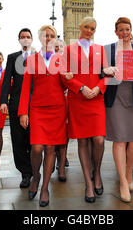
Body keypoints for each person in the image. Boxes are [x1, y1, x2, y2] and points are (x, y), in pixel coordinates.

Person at [18, 25, 70, 207]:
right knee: (37, 148)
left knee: (50, 149)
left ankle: (45, 187)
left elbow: (65, 84)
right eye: (45, 35)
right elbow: (25, 87)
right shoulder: (32, 60)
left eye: (52, 36)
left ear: (56, 39)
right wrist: (23, 112)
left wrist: (70, 78)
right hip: (38, 109)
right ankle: (36, 175)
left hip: (57, 110)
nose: (48, 38)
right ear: (40, 38)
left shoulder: (61, 60)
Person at [62, 16, 108, 203]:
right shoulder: (68, 49)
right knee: (82, 142)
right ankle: (88, 183)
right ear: (80, 27)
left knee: (98, 140)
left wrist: (98, 88)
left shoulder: (100, 50)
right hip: (79, 98)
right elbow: (64, 75)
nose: (90, 30)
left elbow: (106, 74)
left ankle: (96, 173)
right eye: (87, 27)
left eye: (93, 28)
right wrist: (81, 88)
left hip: (96, 98)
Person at [104, 17, 133, 203]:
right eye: (121, 30)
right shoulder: (108, 49)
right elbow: (99, 70)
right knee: (120, 141)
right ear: (116, 32)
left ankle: (129, 172)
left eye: (127, 29)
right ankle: (123, 182)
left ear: (131, 30)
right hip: (116, 98)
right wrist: (106, 70)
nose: (124, 33)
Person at [0, 28, 35, 188]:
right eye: (23, 37)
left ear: (32, 39)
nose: (25, 39)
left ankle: (35, 169)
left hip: (35, 104)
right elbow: (7, 79)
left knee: (33, 140)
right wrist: (3, 101)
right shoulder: (12, 57)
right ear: (19, 40)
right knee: (18, 140)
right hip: (16, 104)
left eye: (28, 37)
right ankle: (25, 173)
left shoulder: (38, 56)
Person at [54, 37, 70, 177]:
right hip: (54, 101)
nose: (58, 49)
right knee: (55, 132)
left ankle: (62, 161)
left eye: (60, 46)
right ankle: (57, 157)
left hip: (68, 100)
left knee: (65, 133)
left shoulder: (69, 63)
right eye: (55, 47)